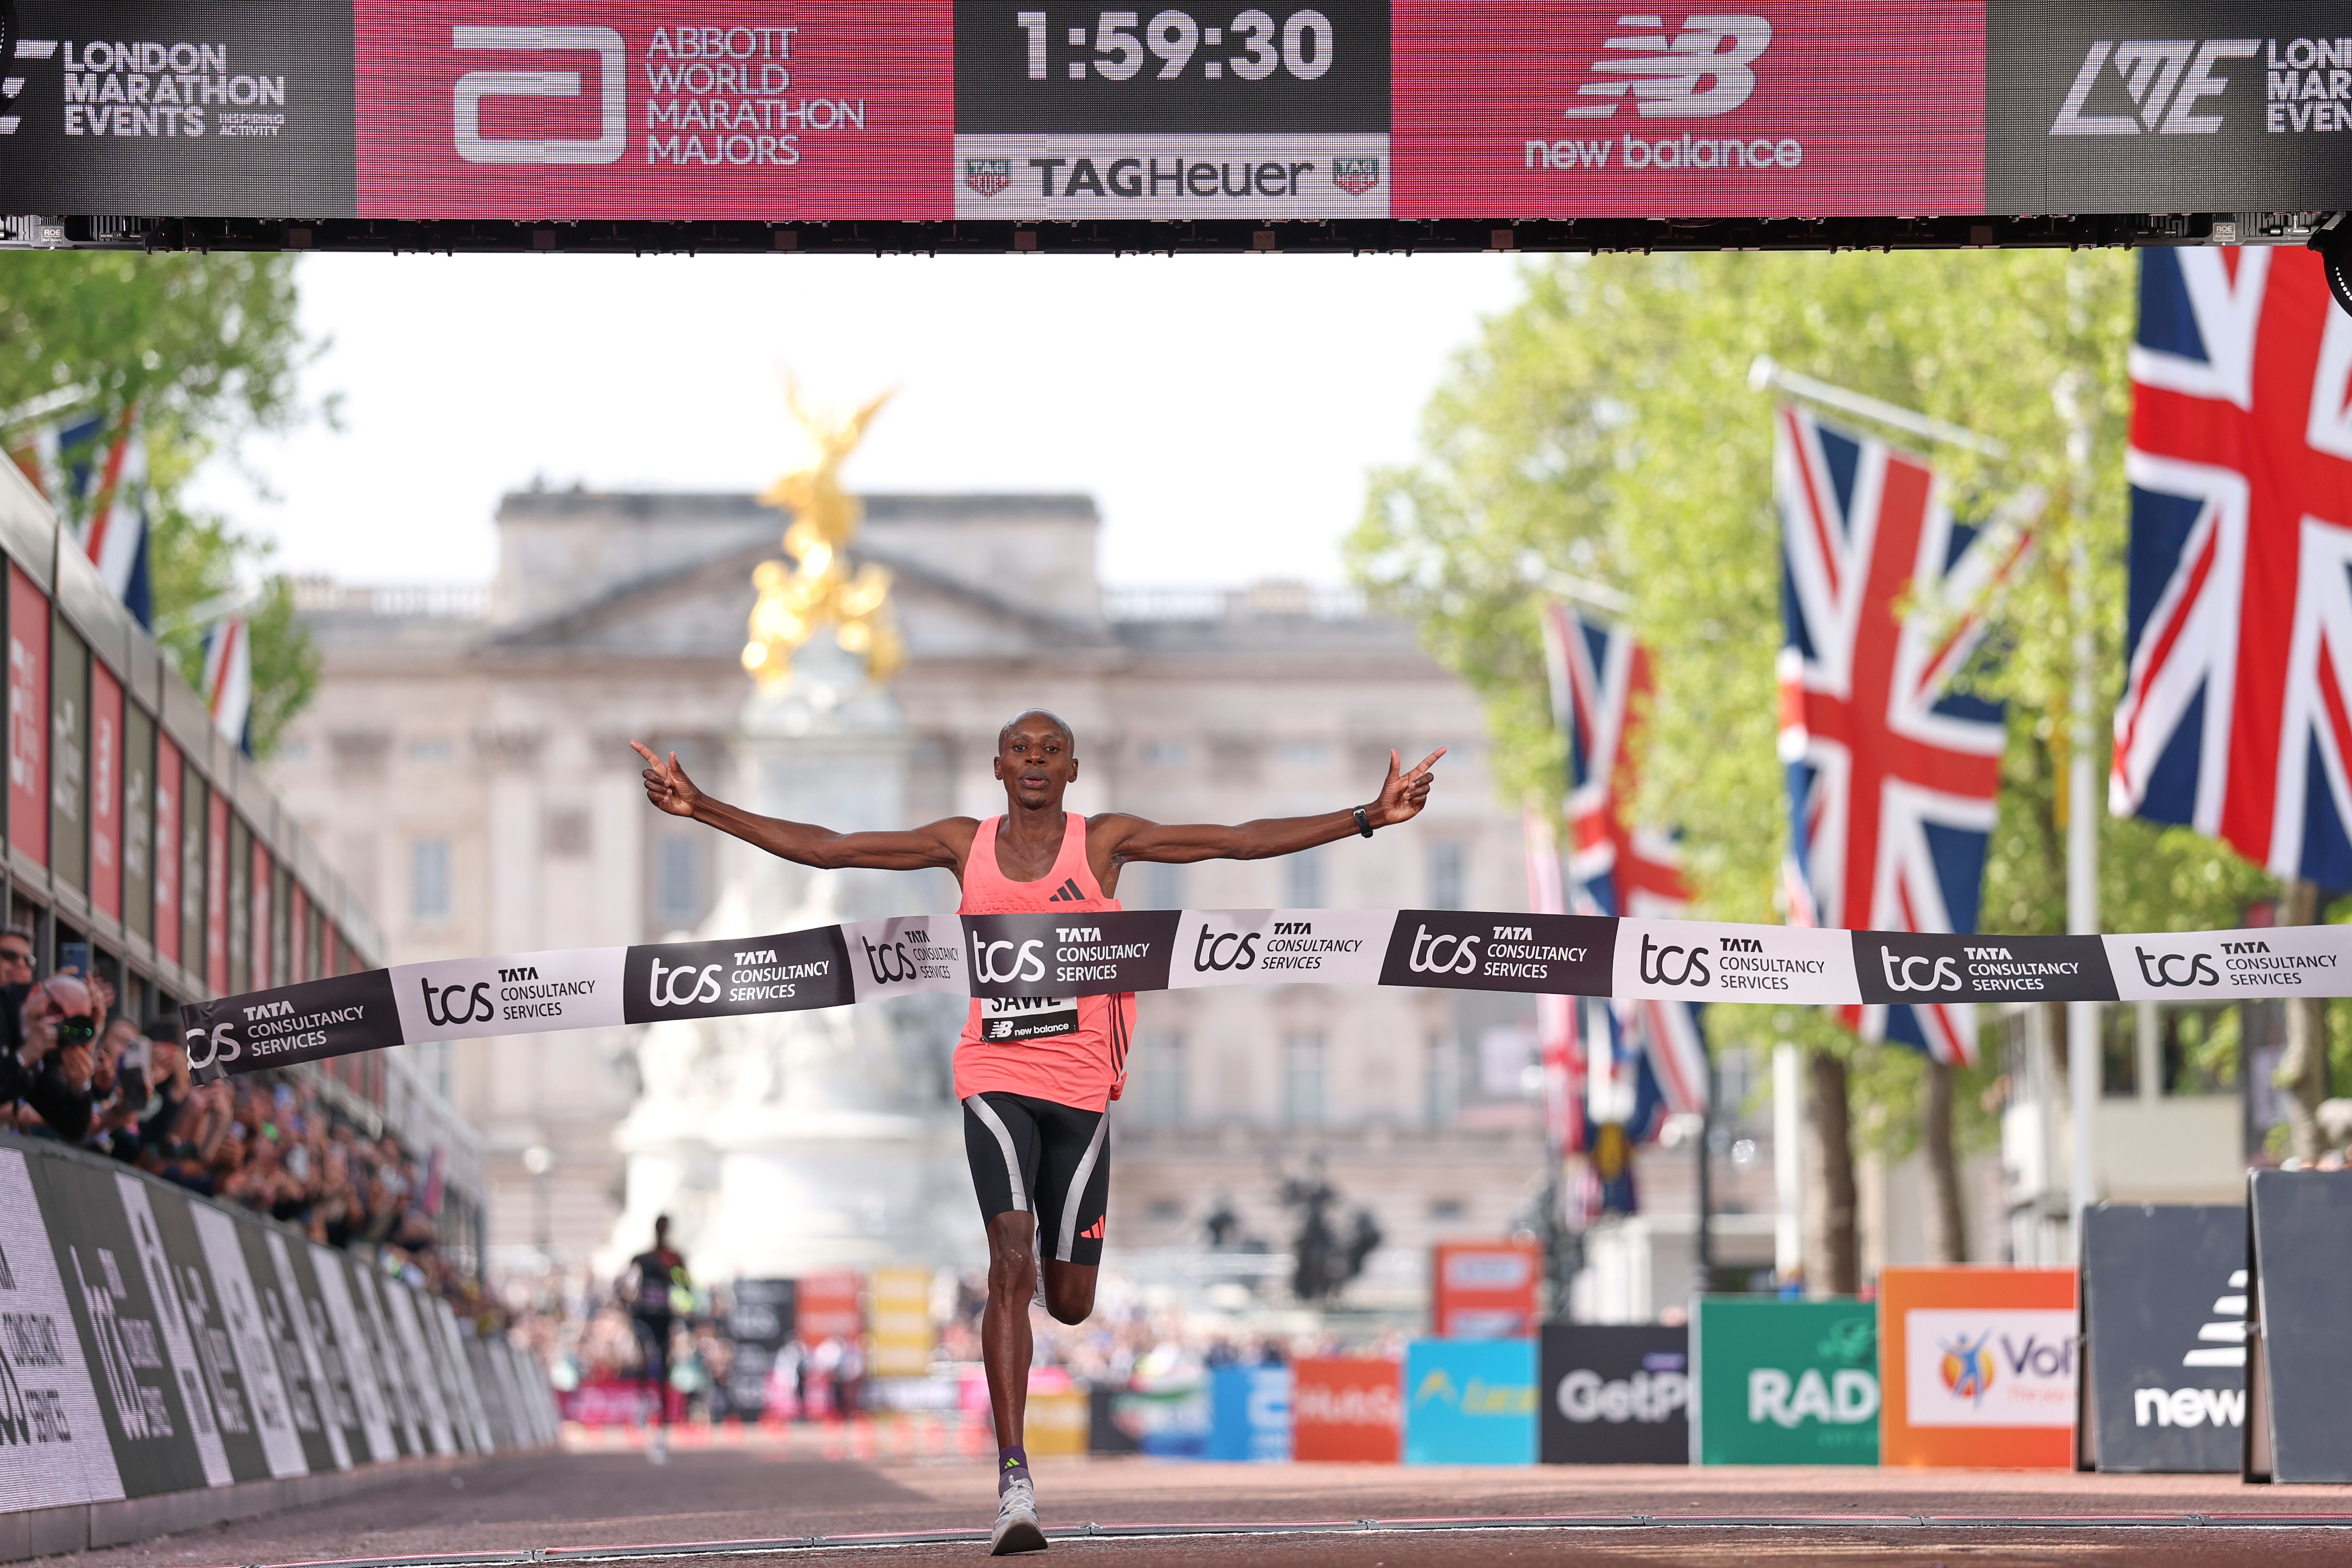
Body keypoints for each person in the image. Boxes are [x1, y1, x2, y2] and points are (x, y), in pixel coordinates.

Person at [635, 709, 1441, 1554]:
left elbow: (1235, 840)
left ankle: (1051, 1326)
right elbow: (833, 847)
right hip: (993, 1074)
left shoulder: (1104, 843)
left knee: (1069, 1297)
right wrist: (705, 807)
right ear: (996, 765)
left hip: (1084, 1088)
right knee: (1008, 1259)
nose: (1033, 760)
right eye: (1020, 749)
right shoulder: (962, 842)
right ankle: (1014, 1475)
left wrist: (1365, 816)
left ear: (1072, 767)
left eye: (1049, 750)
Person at [623, 1215, 692, 1464]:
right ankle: (643, 1404)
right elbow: (625, 1284)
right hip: (643, 1318)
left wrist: (674, 1277)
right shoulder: (641, 1258)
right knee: (643, 1359)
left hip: (664, 1318)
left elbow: (687, 1287)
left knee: (664, 1371)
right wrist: (627, 1303)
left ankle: (661, 1429)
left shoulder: (675, 1259)